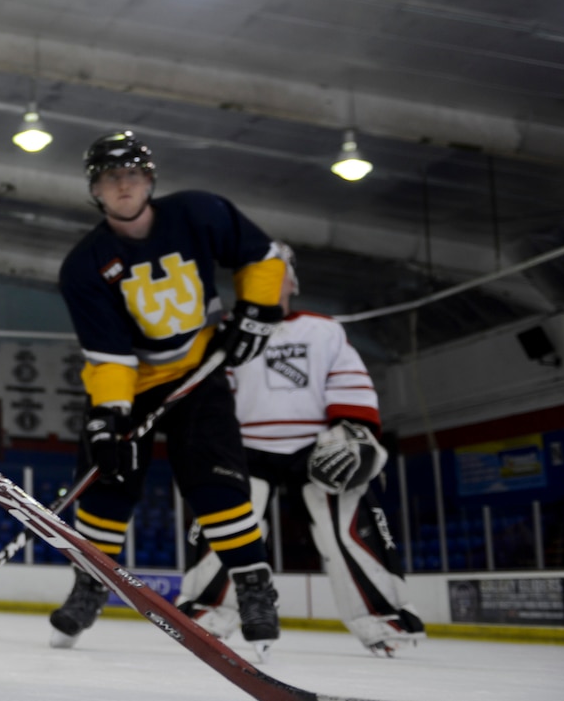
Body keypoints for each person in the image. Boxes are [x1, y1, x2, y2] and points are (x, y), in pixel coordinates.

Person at [49, 132, 289, 655]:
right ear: (95, 190)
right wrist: (108, 419)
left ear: (150, 179)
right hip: (131, 385)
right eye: (110, 177)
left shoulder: (199, 213)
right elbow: (109, 356)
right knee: (105, 483)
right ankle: (91, 583)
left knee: (216, 482)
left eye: (132, 173)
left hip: (199, 375)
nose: (123, 184)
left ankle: (253, 587)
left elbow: (264, 257)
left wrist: (258, 311)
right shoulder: (84, 265)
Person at [178, 260, 425, 655]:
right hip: (243, 447)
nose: (268, 284)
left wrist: (353, 430)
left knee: (349, 529)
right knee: (225, 525)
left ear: (293, 281)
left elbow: (348, 381)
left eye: (277, 275)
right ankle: (206, 614)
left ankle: (385, 620)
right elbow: (211, 392)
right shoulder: (227, 333)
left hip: (319, 447)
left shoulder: (324, 330)